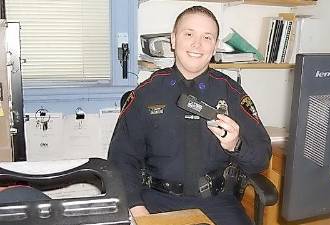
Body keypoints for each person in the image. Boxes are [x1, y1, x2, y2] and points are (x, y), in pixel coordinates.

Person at [108, 5, 271, 225]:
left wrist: (236, 144)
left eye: (207, 37)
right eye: (189, 34)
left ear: (214, 47)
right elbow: (121, 159)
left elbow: (261, 158)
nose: (197, 44)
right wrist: (138, 210)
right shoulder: (145, 94)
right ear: (174, 40)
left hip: (219, 204)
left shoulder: (231, 94)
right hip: (157, 203)